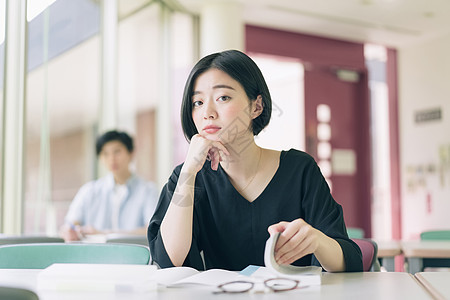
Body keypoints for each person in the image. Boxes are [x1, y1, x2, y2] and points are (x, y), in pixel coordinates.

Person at [148, 50, 362, 272]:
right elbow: (168, 260)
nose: (207, 113)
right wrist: (189, 170)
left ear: (256, 107)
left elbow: (348, 262)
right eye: (198, 102)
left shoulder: (300, 170)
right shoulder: (189, 178)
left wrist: (317, 241)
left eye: (223, 97)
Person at [60, 130, 159, 242]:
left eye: (117, 152)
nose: (111, 158)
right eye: (105, 154)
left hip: (134, 257)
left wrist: (104, 234)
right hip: (94, 256)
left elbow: (151, 231)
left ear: (131, 153)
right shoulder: (89, 190)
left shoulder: (148, 191)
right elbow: (70, 223)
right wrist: (70, 230)